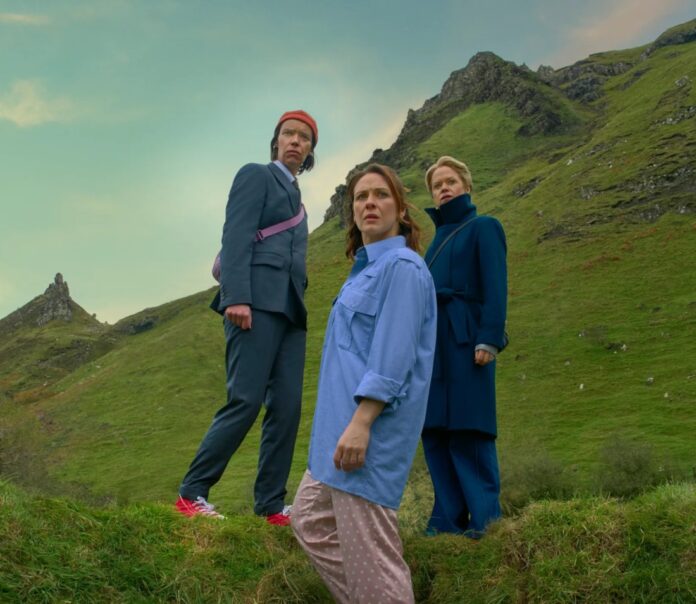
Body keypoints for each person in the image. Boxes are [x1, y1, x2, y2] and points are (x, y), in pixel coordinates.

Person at [292, 164, 437, 604]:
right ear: (352, 212)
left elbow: (394, 357)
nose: (369, 203)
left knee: (374, 563)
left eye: (380, 195)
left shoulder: (403, 268)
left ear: (401, 210)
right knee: (309, 521)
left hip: (366, 433)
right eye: (360, 197)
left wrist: (362, 423)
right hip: (334, 435)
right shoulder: (365, 270)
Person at [175, 110, 318, 525]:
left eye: (304, 137)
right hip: (252, 303)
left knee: (288, 407)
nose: (295, 141)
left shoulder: (299, 203)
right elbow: (236, 234)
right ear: (276, 141)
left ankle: (271, 504)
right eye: (288, 134)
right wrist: (236, 296)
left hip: (291, 311)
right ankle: (191, 494)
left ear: (310, 150)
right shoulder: (256, 175)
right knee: (246, 400)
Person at [422, 155, 508, 538]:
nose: (443, 189)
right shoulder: (434, 243)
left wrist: (489, 337)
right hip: (433, 347)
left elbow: (496, 285)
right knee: (435, 429)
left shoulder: (484, 227)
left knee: (469, 427)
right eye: (437, 185)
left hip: (466, 338)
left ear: (467, 186)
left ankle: (485, 520)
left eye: (450, 182)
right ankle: (446, 521)